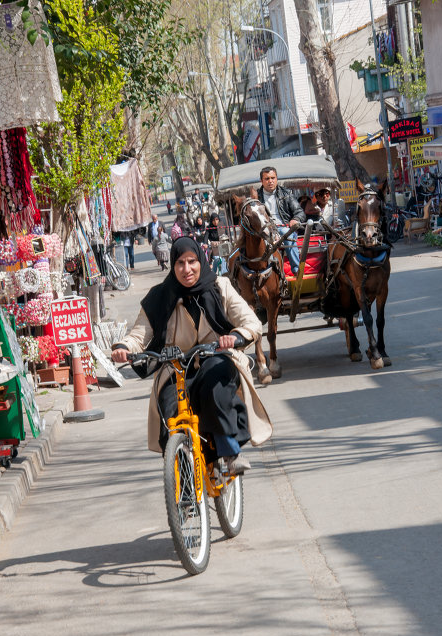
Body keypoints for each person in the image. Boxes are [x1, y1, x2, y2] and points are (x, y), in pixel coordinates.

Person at [111, 237, 272, 474]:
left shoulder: (220, 287)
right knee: (169, 410)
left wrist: (235, 337)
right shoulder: (159, 296)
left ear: (201, 261)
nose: (187, 269)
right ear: (173, 265)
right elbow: (139, 335)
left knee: (214, 389)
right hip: (175, 366)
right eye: (180, 263)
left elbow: (251, 322)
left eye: (192, 261)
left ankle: (229, 453)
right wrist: (124, 347)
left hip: (216, 357)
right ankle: (183, 487)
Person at [256, 166, 306, 275]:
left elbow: (300, 212)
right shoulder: (256, 197)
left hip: (283, 228)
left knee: (287, 234)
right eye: (267, 178)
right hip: (264, 229)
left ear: (277, 178)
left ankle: (297, 270)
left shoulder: (286, 193)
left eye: (273, 178)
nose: (270, 181)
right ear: (262, 181)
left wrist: (295, 219)